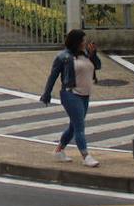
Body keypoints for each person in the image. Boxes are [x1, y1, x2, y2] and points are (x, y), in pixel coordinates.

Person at [39, 28, 102, 167]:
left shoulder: (86, 54)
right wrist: (46, 94)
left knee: (73, 127)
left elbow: (98, 66)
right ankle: (86, 156)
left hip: (85, 95)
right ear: (76, 42)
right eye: (83, 40)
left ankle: (59, 150)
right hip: (70, 94)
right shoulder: (63, 57)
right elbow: (53, 77)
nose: (85, 43)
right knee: (80, 126)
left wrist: (93, 54)